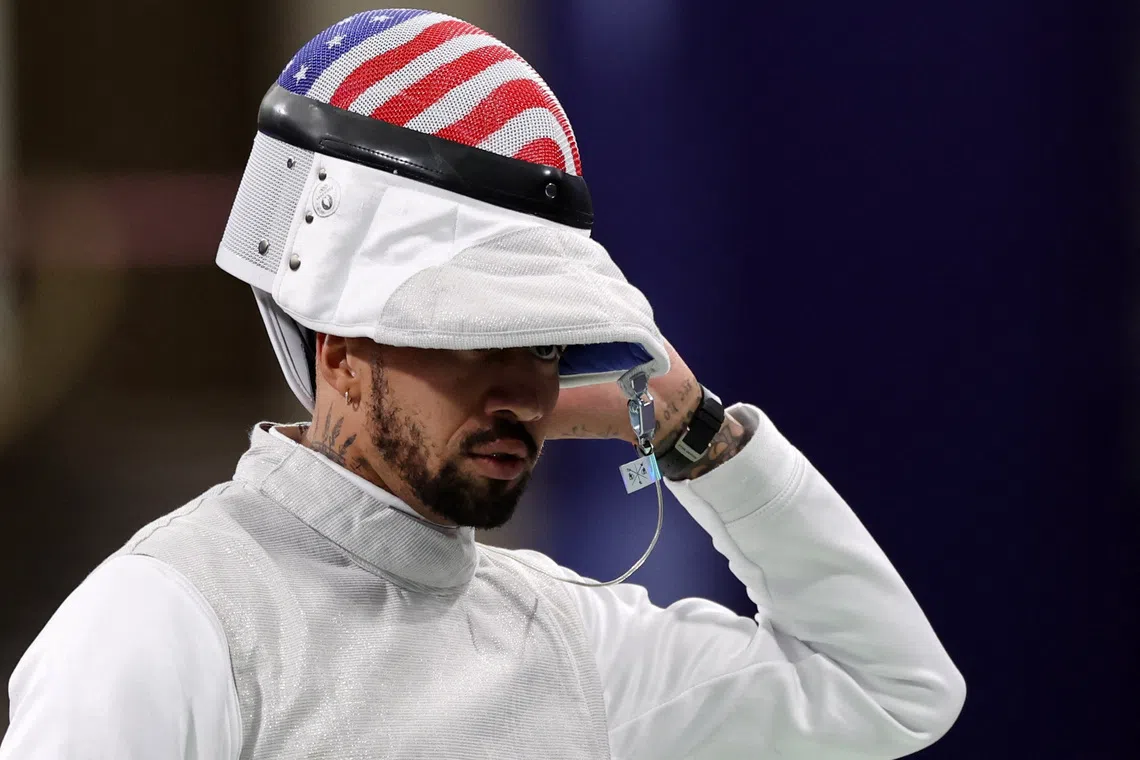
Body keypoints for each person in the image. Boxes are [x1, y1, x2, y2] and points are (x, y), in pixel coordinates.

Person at [0, 9, 965, 759]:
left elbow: (890, 690)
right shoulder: (167, 619)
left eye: (546, 347)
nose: (525, 394)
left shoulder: (567, 640)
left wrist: (691, 433)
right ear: (339, 348)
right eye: (473, 340)